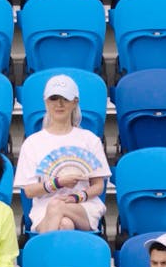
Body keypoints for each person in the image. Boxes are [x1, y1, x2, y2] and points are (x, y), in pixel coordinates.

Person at [14, 74, 111, 233]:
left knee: (56, 206)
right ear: (46, 102)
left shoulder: (89, 139)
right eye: (54, 99)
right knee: (65, 224)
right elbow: (30, 191)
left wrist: (75, 197)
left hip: (83, 207)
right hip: (44, 211)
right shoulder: (32, 143)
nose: (59, 104)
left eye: (65, 99)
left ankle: (42, 255)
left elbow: (98, 186)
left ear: (75, 102)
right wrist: (58, 182)